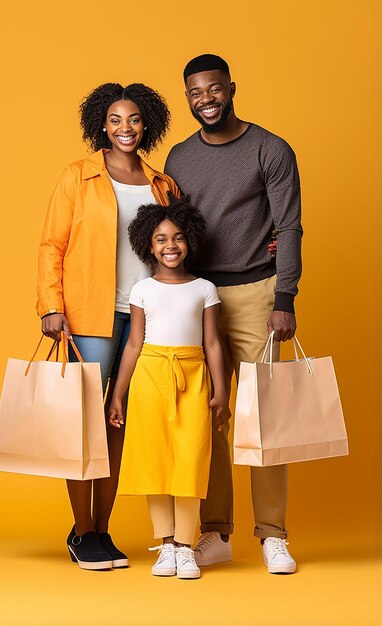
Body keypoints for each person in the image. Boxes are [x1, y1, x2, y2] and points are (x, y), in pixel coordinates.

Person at [165, 54, 303, 574]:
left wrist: (285, 297)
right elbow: (172, 231)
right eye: (196, 92)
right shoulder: (179, 158)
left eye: (214, 89)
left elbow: (288, 226)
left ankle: (272, 534)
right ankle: (214, 532)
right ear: (188, 98)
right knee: (207, 418)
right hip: (198, 298)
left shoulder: (271, 148)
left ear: (231, 88)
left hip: (257, 293)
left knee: (264, 417)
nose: (206, 99)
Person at [37, 82, 179, 570]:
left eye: (135, 119)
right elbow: (52, 245)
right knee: (84, 422)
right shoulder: (78, 176)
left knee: (119, 422)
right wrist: (50, 306)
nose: (126, 128)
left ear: (148, 124)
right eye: (116, 120)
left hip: (146, 318)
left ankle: (103, 527)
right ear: (102, 123)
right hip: (89, 314)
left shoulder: (162, 184)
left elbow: (177, 244)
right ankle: (81, 531)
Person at [108, 196, 230, 579]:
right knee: (155, 461)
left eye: (177, 237)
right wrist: (117, 393)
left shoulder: (205, 288)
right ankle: (165, 545)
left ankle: (184, 545)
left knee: (191, 461)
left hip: (193, 378)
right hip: (149, 378)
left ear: (189, 240)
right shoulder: (142, 290)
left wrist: (222, 391)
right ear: (148, 244)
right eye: (161, 239)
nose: (170, 246)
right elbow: (133, 344)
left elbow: (212, 343)